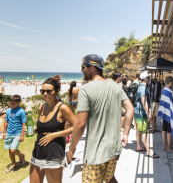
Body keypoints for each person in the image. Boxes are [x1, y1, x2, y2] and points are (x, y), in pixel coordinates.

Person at [67, 54, 134, 183]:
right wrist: (125, 134)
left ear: (92, 68)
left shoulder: (85, 90)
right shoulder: (115, 86)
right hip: (114, 148)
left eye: (83, 67)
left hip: (95, 152)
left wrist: (71, 148)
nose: (81, 70)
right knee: (109, 179)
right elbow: (130, 109)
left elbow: (80, 124)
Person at [30, 75, 76, 183]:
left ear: (57, 91)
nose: (45, 94)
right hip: (37, 153)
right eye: (43, 91)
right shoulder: (41, 107)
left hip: (53, 155)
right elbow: (46, 127)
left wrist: (55, 134)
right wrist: (37, 130)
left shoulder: (62, 108)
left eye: (49, 91)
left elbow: (77, 127)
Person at [134, 71, 159, 158]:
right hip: (141, 112)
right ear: (145, 79)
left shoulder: (140, 86)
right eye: (148, 77)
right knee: (145, 132)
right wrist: (148, 114)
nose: (149, 79)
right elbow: (144, 102)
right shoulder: (143, 88)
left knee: (139, 130)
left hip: (138, 111)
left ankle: (138, 146)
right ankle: (149, 152)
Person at [3, 95, 26, 173]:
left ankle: (21, 156)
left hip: (17, 133)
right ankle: (13, 164)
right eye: (10, 103)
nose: (11, 105)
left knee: (13, 150)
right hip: (9, 133)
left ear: (18, 103)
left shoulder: (21, 111)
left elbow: (23, 123)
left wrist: (22, 135)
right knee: (10, 150)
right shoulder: (8, 110)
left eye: (13, 103)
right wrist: (4, 132)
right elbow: (6, 122)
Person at [157, 76, 173, 153]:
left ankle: (165, 145)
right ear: (170, 82)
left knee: (164, 129)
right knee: (169, 131)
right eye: (172, 82)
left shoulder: (163, 91)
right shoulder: (171, 92)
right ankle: (169, 148)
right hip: (169, 114)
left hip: (164, 114)